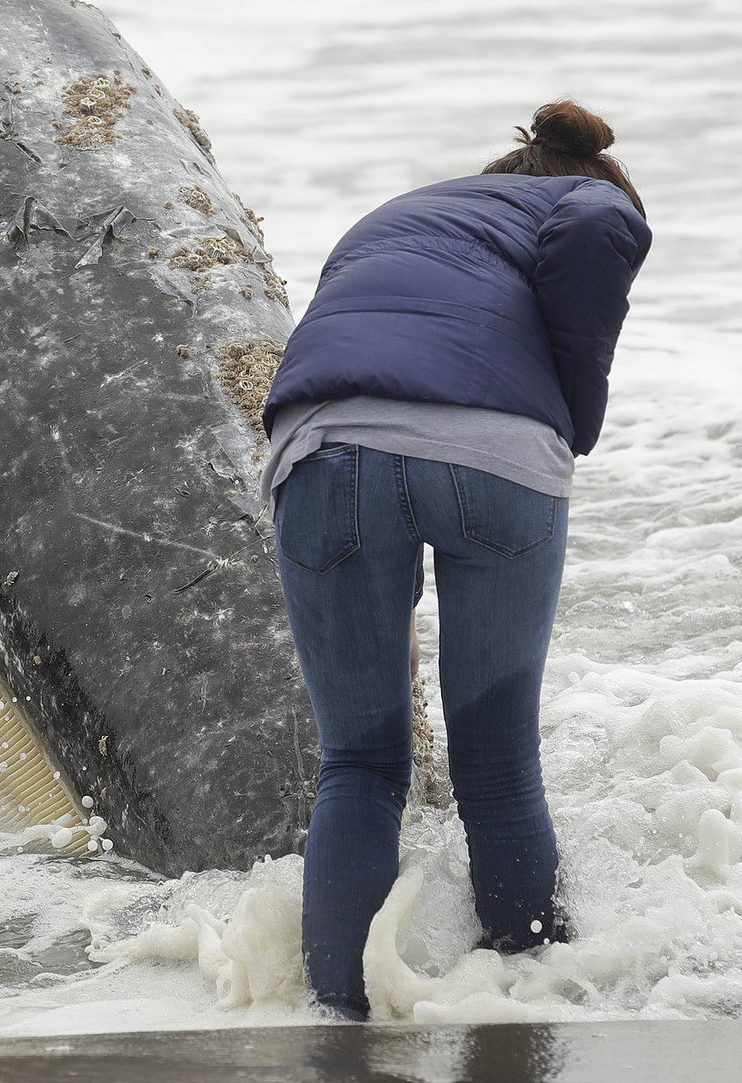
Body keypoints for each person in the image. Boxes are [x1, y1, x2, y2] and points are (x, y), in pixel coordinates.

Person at [259, 100, 651, 1021]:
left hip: (324, 450)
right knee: (499, 766)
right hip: (494, 458)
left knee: (357, 761)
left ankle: (337, 1018)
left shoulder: (400, 214)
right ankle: (532, 1001)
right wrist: (576, 411)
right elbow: (603, 222)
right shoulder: (582, 203)